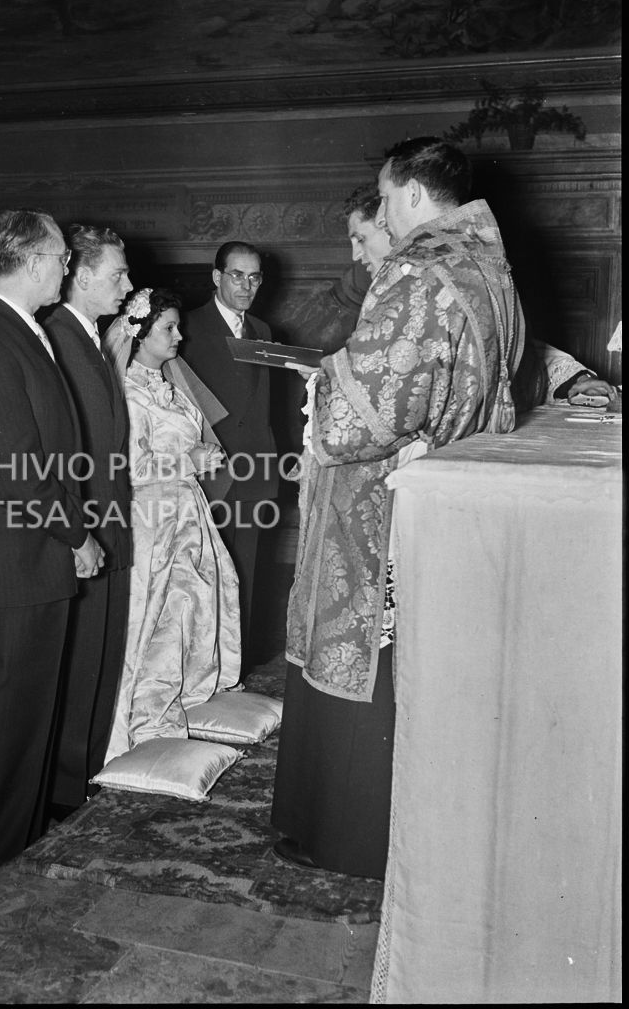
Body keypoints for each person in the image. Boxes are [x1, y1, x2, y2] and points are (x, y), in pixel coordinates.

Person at [271, 138, 526, 880]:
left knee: (368, 666)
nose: (380, 213)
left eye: (382, 200)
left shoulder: (418, 267)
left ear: (412, 196)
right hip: (446, 492)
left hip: (381, 506)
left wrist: (323, 388)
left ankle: (348, 836)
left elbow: (360, 420)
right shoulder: (488, 263)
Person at [0, 208, 103, 891]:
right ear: (35, 260)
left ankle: (12, 851)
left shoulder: (17, 330)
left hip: (25, 561)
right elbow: (18, 469)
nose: (66, 268)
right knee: (3, 723)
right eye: (64, 257)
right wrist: (76, 533)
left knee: (24, 719)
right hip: (9, 564)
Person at [310, 182, 618, 409]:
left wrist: (574, 380)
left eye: (360, 239)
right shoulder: (368, 290)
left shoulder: (445, 278)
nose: (355, 254)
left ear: (386, 222)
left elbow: (505, 347)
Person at [101, 287, 241, 763]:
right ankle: (143, 723)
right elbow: (131, 469)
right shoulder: (128, 393)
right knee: (154, 618)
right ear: (138, 334)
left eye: (178, 326)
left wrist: (205, 457)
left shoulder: (172, 386)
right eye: (169, 328)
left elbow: (194, 440)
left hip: (188, 513)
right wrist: (190, 460)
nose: (180, 336)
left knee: (192, 608)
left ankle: (181, 707)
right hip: (152, 519)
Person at [42, 224, 134, 817]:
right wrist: (84, 537)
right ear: (79, 275)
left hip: (110, 524)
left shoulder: (89, 338)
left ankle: (83, 779)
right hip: (88, 531)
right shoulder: (57, 338)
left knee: (102, 663)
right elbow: (63, 456)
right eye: (117, 274)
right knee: (81, 670)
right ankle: (65, 792)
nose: (128, 285)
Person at [178, 242, 279, 669]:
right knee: (204, 578)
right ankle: (202, 668)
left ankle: (235, 671)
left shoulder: (265, 331)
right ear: (217, 277)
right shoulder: (185, 328)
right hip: (210, 477)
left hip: (255, 476)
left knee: (249, 577)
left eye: (254, 277)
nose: (247, 285)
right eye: (237, 275)